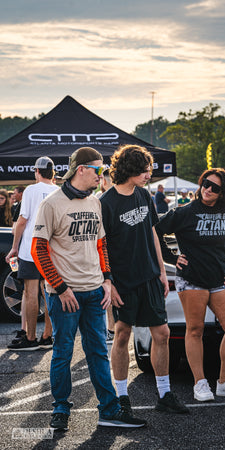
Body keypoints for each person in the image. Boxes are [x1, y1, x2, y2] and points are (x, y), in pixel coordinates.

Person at [31, 146, 146, 431]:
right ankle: (60, 410)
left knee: (97, 352)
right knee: (63, 352)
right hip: (64, 295)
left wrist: (107, 279)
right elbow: (38, 249)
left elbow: (101, 243)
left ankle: (109, 410)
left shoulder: (95, 202)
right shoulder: (52, 204)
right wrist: (60, 288)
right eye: (98, 169)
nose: (102, 174)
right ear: (80, 169)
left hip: (94, 290)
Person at [100, 144, 189, 415]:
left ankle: (164, 394)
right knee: (122, 334)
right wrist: (109, 281)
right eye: (144, 170)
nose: (149, 174)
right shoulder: (105, 202)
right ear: (129, 170)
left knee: (162, 333)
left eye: (149, 169)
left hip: (150, 275)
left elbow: (152, 231)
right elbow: (100, 246)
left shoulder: (144, 194)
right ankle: (122, 397)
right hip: (122, 281)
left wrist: (162, 270)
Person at [156, 168, 225, 402]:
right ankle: (200, 384)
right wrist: (171, 257)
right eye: (206, 184)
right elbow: (155, 231)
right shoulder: (185, 212)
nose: (208, 189)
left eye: (215, 188)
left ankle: (224, 382)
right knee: (195, 329)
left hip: (219, 280)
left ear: (223, 192)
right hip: (191, 278)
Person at [5, 157, 58, 351]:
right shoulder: (59, 191)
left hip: (31, 248)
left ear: (37, 171)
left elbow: (22, 220)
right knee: (50, 292)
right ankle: (47, 336)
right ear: (52, 172)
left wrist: (14, 247)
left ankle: (30, 337)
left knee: (30, 292)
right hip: (52, 250)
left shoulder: (31, 190)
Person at [95, 168, 115, 343]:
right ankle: (112, 329)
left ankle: (111, 329)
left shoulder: (99, 200)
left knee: (107, 291)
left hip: (106, 252)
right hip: (110, 252)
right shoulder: (100, 200)